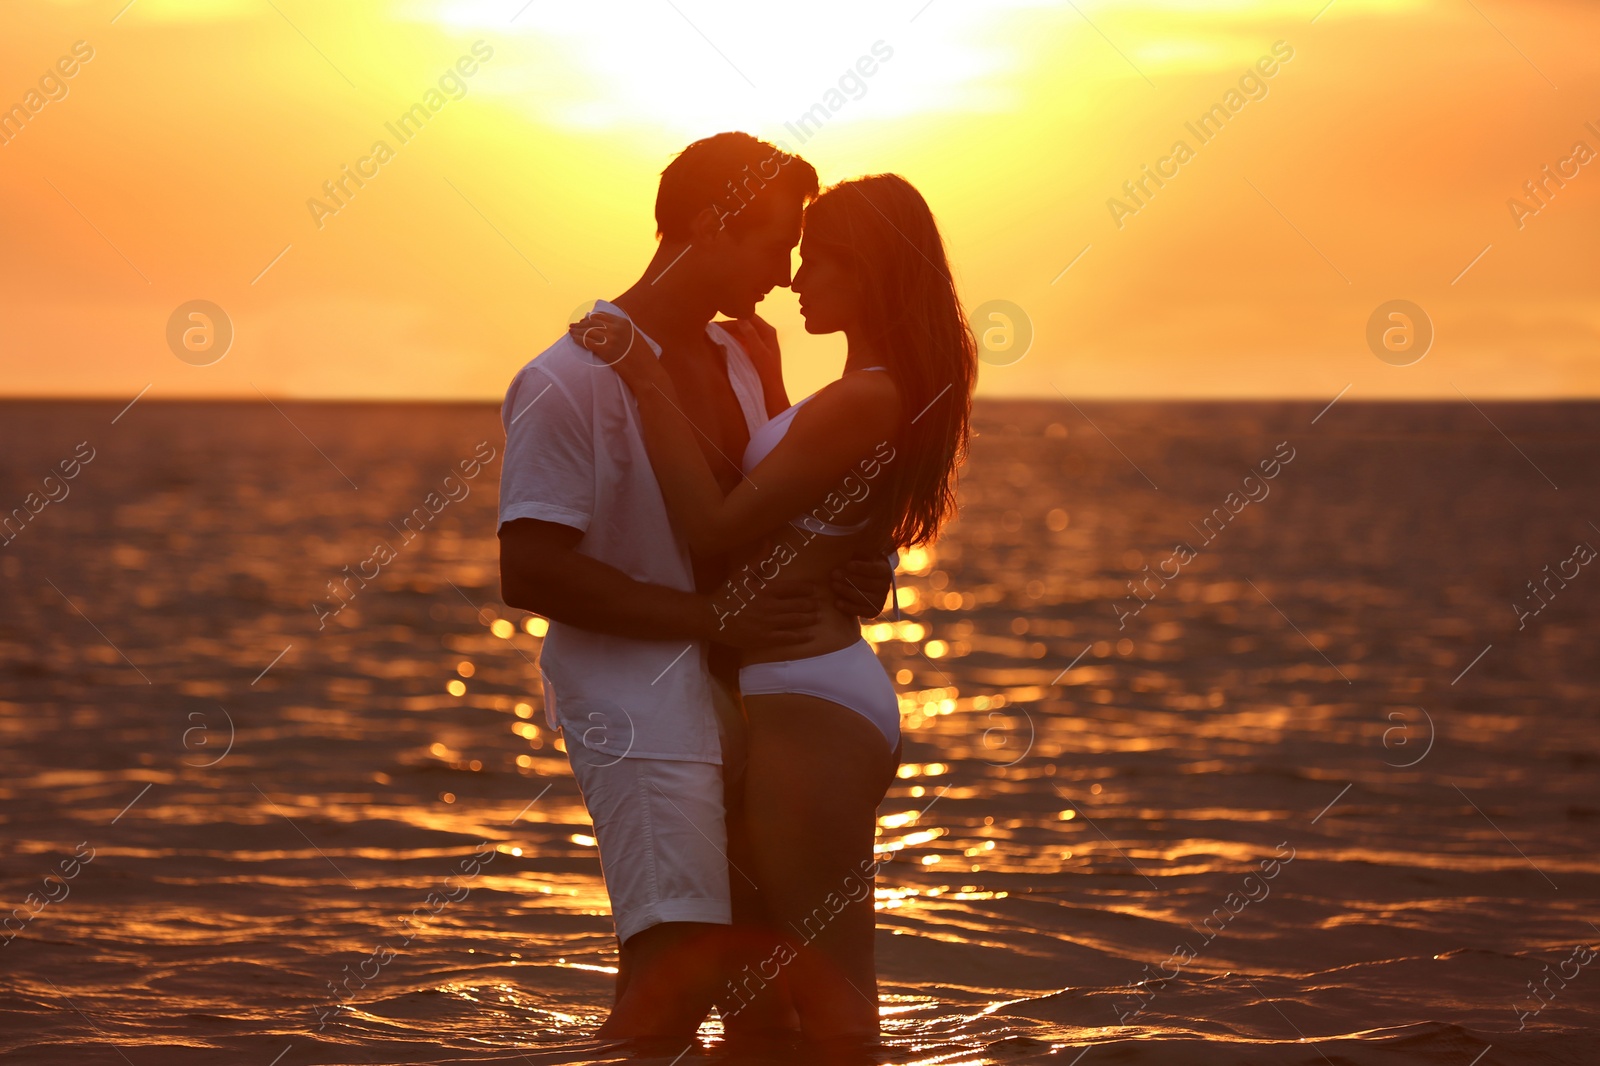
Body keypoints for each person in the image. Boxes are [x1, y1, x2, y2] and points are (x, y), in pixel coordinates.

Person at [496, 132, 894, 1045]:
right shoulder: (567, 380)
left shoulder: (746, 357)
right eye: (776, 240)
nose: (789, 269)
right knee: (669, 980)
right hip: (639, 713)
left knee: (769, 1002)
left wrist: (848, 568)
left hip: (749, 704)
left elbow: (757, 518)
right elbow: (529, 571)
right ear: (713, 225)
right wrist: (708, 616)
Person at [571, 172, 978, 1045]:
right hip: (794, 694)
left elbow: (715, 521)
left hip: (812, 702)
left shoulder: (869, 397)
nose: (795, 280)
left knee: (833, 995)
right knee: (768, 1005)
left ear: (868, 274)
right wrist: (775, 385)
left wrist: (645, 379)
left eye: (820, 262)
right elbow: (811, 501)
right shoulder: (855, 392)